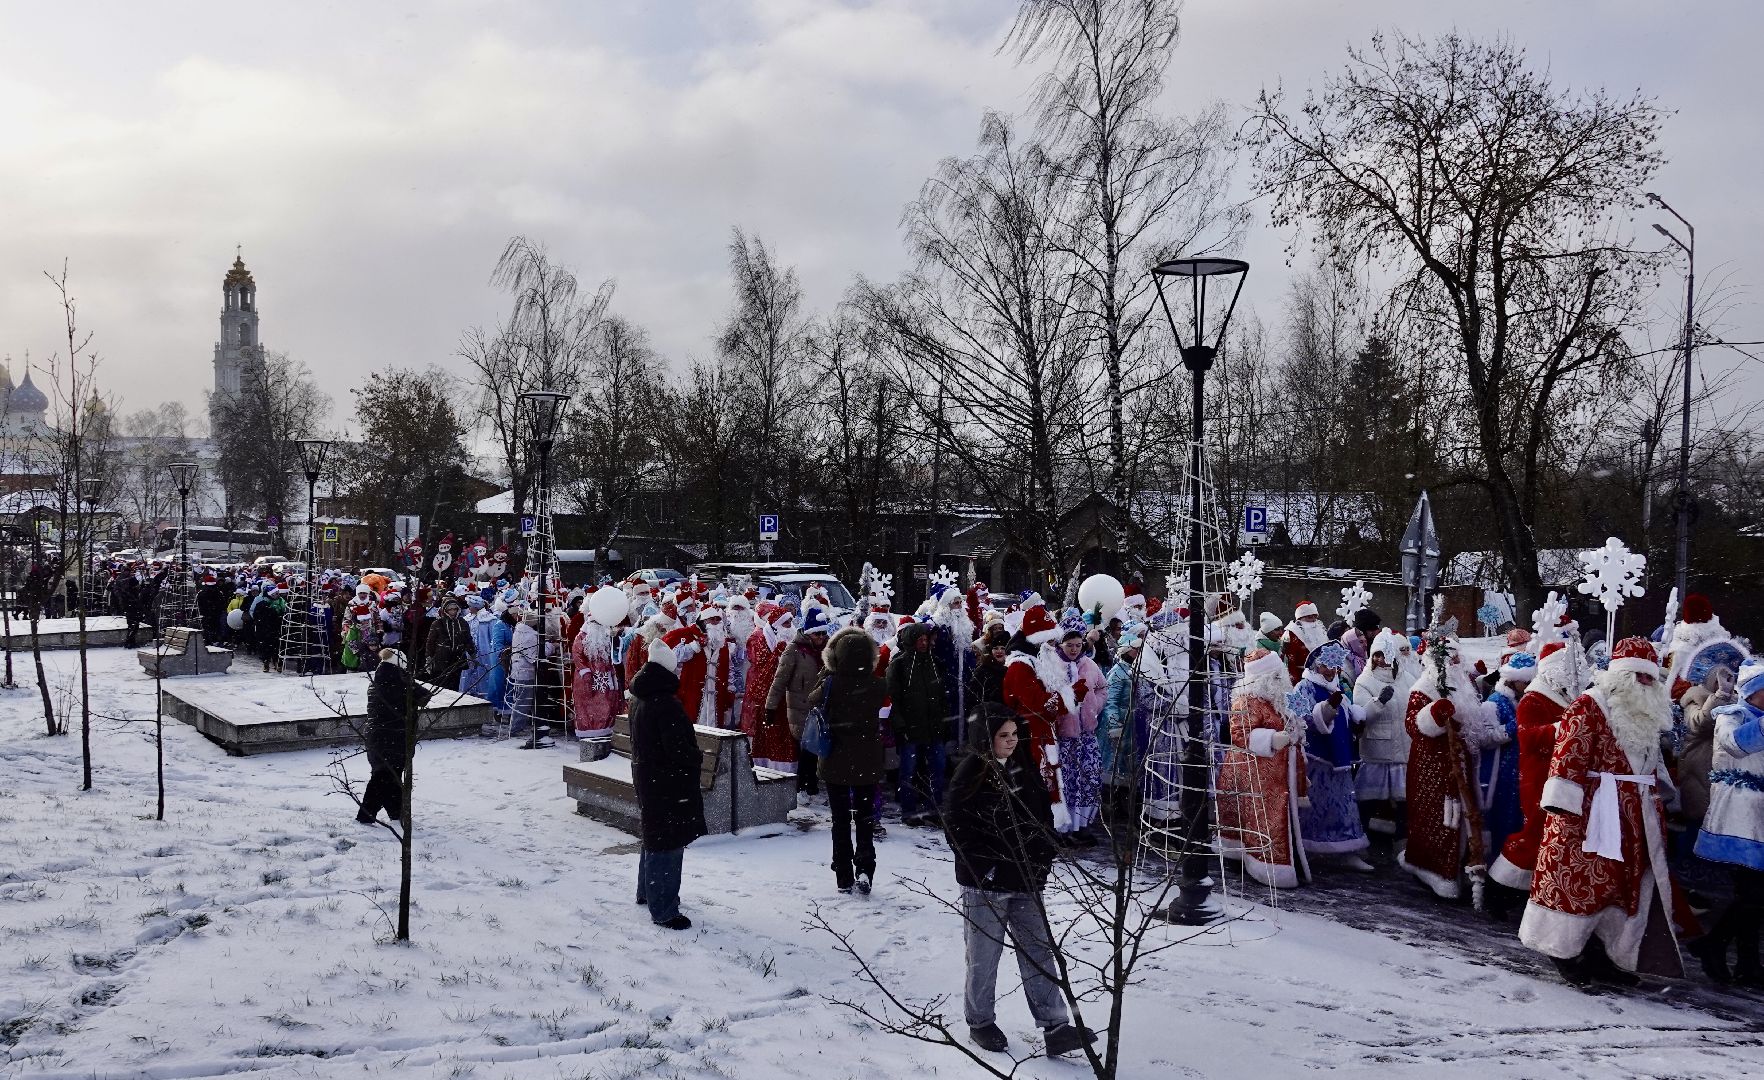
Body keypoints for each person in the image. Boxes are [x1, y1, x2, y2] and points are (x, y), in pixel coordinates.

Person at [1519, 637, 1689, 987]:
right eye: (1640, 677)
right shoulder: (1590, 705)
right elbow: (1569, 754)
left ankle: (1603, 954)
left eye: (1651, 679)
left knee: (1617, 887)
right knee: (1579, 881)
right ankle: (1562, 950)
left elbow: (1651, 764)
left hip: (1634, 816)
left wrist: (1663, 801)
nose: (1647, 685)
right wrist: (1565, 810)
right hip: (1590, 813)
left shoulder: (1645, 714)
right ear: (1622, 676)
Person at [944, 705, 1096, 1058]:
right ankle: (980, 1021)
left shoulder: (1023, 770)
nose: (1010, 742)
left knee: (1038, 951)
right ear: (987, 737)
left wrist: (1042, 861)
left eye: (1014, 734)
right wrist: (986, 870)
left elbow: (1041, 821)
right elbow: (958, 828)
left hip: (1026, 879)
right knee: (984, 954)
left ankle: (1056, 1025)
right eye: (1003, 736)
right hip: (986, 883)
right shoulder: (971, 773)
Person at [1400, 634, 1508, 899]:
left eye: (1459, 656)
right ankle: (1436, 870)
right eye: (1453, 658)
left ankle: (1461, 867)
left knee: (1465, 816)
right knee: (1440, 818)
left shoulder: (1462, 684)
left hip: (1461, 762)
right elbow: (1413, 725)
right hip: (1433, 768)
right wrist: (1435, 715)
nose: (1458, 662)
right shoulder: (1423, 688)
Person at [1689, 657, 1764, 987]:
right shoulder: (1731, 715)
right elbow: (1736, 746)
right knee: (1753, 894)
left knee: (1754, 895)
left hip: (1758, 820)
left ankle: (1747, 963)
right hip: (1739, 818)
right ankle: (1712, 945)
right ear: (1752, 692)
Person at [1489, 642, 1582, 898]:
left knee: (1548, 835)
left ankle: (1533, 888)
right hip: (1537, 775)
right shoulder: (1533, 698)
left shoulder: (1564, 694)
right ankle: (1501, 889)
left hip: (1558, 775)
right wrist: (1563, 727)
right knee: (1534, 832)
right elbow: (1527, 738)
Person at [627, 639, 704, 931]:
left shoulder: (642, 695)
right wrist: (695, 757)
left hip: (649, 776)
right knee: (668, 841)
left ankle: (648, 892)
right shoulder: (664, 702)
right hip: (667, 780)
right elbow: (679, 749)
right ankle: (665, 909)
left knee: (654, 834)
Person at [1218, 648, 1306, 888]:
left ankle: (1283, 861)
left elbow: (1296, 722)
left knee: (1279, 816)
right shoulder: (1246, 701)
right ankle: (1264, 864)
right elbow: (1239, 734)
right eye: (1275, 676)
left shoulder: (1282, 698)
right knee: (1262, 816)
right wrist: (1272, 739)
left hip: (1280, 770)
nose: (1282, 679)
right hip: (1253, 769)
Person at [1288, 640, 1371, 869]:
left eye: (1335, 666)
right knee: (1315, 806)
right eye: (1326, 666)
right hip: (1316, 758)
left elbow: (1343, 715)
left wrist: (1355, 724)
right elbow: (1299, 720)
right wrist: (1325, 710)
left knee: (1343, 803)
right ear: (1316, 667)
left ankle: (1347, 848)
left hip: (1340, 757)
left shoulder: (1338, 688)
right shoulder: (1302, 687)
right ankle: (1309, 847)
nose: (1331, 671)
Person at [818, 624, 888, 894]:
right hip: (867, 760)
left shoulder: (831, 683)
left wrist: (829, 671)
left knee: (839, 819)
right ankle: (865, 868)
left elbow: (814, 700)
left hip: (835, 759)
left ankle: (843, 873)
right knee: (865, 819)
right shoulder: (876, 684)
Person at [1001, 597, 1076, 836]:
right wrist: (1071, 696)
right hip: (1029, 735)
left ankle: (1044, 826)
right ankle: (1035, 827)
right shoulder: (1020, 666)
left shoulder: (1034, 661)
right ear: (1038, 640)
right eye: (1049, 639)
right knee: (1035, 782)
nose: (1053, 645)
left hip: (1040, 732)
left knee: (1046, 780)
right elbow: (1039, 704)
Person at [357, 648, 431, 825]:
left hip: (376, 735)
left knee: (388, 776)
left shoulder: (377, 679)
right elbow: (425, 696)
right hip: (394, 736)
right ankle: (365, 816)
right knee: (385, 777)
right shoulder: (399, 680)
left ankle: (396, 813)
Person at [767, 607, 833, 804]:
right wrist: (770, 707)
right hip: (800, 706)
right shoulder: (794, 650)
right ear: (808, 632)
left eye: (823, 633)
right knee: (806, 748)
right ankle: (805, 787)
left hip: (821, 706)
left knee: (816, 748)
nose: (821, 637)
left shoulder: (827, 650)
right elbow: (779, 680)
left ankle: (811, 785)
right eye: (817, 633)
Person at [888, 620, 948, 827]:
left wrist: (943, 721)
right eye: (919, 640)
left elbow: (941, 695)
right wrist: (900, 725)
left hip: (933, 727)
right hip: (910, 728)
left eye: (925, 639)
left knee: (937, 770)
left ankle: (935, 808)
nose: (924, 643)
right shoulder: (900, 664)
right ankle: (908, 810)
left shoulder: (934, 662)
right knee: (908, 771)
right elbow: (893, 698)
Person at [1354, 629, 1411, 843]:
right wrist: (1378, 702)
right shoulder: (1365, 681)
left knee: (1404, 801)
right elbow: (1360, 715)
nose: (1381, 659)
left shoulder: (1407, 678)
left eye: (1385, 654)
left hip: (1402, 749)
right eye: (1376, 654)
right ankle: (1360, 839)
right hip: (1376, 752)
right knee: (1368, 799)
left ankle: (1402, 844)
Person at [1054, 620, 1108, 842]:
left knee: (1087, 779)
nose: (1074, 649)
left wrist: (1094, 705)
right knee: (1066, 781)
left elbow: (1103, 688)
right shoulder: (1053, 665)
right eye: (1069, 645)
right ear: (1061, 645)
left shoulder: (1090, 665)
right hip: (1064, 737)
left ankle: (1082, 824)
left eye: (1078, 644)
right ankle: (1063, 827)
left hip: (1086, 735)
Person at [740, 602, 797, 772]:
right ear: (777, 625)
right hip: (768, 698)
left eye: (790, 622)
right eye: (785, 623)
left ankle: (788, 769)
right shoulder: (759, 639)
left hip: (788, 698)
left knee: (786, 735)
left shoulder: (792, 640)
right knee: (769, 733)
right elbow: (761, 667)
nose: (789, 627)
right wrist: (777, 656)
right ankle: (769, 769)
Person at [424, 596, 475, 691]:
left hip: (457, 658)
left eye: (455, 609)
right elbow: (430, 642)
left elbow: (468, 639)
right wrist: (429, 658)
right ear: (445, 610)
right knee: (441, 686)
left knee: (455, 686)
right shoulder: (437, 623)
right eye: (450, 609)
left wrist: (472, 652)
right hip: (441, 659)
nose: (453, 612)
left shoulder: (462, 622)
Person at [1279, 601, 1329, 685]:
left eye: (1315, 617)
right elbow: (1288, 663)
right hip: (1301, 679)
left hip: (1321, 679)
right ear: (1300, 618)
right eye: (1309, 617)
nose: (1313, 620)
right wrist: (1295, 684)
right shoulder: (1291, 634)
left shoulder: (1320, 631)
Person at [967, 627, 1011, 709]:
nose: (999, 651)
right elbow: (973, 699)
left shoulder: (1011, 669)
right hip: (988, 717)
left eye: (1003, 648)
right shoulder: (982, 670)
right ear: (991, 650)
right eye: (995, 648)